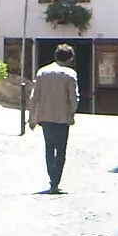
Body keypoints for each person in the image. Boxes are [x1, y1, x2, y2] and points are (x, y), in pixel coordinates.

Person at [27, 43, 80, 193]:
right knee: (61, 149)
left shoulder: (43, 72)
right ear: (70, 59)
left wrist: (33, 116)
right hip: (62, 117)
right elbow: (74, 97)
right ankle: (55, 181)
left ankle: (52, 177)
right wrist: (72, 113)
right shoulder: (70, 74)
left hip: (45, 116)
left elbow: (34, 96)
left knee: (49, 147)